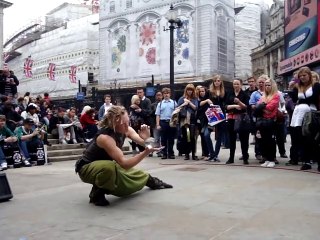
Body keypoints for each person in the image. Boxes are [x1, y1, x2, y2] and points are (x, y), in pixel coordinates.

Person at [75, 105, 173, 206]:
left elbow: (148, 145)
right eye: (124, 123)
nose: (127, 125)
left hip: (108, 165)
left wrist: (147, 139)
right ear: (114, 123)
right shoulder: (105, 138)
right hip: (86, 168)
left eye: (128, 121)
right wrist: (145, 152)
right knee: (109, 168)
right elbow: (125, 164)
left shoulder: (127, 130)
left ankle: (155, 183)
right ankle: (97, 194)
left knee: (136, 173)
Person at [288, 67, 320, 170]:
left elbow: (314, 97)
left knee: (314, 138)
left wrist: (302, 101)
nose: (302, 77)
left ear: (309, 75)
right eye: (300, 76)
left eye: (304, 75)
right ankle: (306, 161)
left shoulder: (316, 85)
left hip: (312, 113)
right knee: (302, 138)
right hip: (299, 114)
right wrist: (292, 87)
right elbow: (294, 98)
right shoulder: (298, 86)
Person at [225, 79, 250, 165]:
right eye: (234, 84)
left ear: (241, 85)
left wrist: (239, 102)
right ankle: (231, 158)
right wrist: (235, 105)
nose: (236, 86)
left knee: (244, 139)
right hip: (231, 118)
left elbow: (246, 107)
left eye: (237, 84)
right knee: (232, 139)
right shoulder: (229, 93)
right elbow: (226, 106)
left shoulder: (245, 94)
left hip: (242, 119)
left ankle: (245, 158)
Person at [256, 79, 280, 168]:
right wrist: (262, 107)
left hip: (271, 120)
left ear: (272, 86)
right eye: (266, 85)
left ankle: (271, 159)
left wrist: (262, 106)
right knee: (263, 141)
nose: (267, 87)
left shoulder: (276, 95)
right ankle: (266, 158)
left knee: (271, 141)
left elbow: (270, 108)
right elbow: (257, 107)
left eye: (269, 85)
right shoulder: (263, 96)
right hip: (262, 120)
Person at [177, 84, 199, 160]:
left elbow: (196, 108)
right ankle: (186, 154)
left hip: (192, 119)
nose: (189, 91)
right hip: (183, 119)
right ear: (186, 90)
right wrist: (184, 103)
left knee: (192, 137)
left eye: (191, 90)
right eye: (188, 90)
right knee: (185, 137)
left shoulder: (195, 99)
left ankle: (193, 154)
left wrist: (189, 102)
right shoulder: (181, 98)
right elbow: (178, 108)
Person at [249, 75, 267, 161]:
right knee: (258, 136)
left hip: (268, 116)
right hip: (258, 117)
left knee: (268, 136)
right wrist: (258, 106)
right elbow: (252, 105)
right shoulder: (254, 94)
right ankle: (258, 153)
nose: (261, 84)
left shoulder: (269, 92)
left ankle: (268, 154)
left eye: (262, 82)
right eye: (259, 82)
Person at [155, 88, 177, 159]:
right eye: (165, 93)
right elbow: (158, 115)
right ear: (163, 94)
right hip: (163, 122)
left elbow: (176, 113)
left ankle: (171, 153)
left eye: (167, 93)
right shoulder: (160, 104)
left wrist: (176, 122)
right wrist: (158, 124)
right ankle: (164, 153)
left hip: (171, 122)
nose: (166, 94)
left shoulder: (174, 103)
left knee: (171, 139)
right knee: (163, 139)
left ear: (170, 94)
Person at [150, 91, 163, 157]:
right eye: (157, 95)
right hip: (155, 123)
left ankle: (162, 150)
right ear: (155, 97)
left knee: (163, 138)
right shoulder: (153, 105)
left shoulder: (164, 104)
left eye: (160, 95)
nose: (159, 97)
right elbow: (150, 114)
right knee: (156, 138)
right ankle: (158, 151)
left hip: (163, 122)